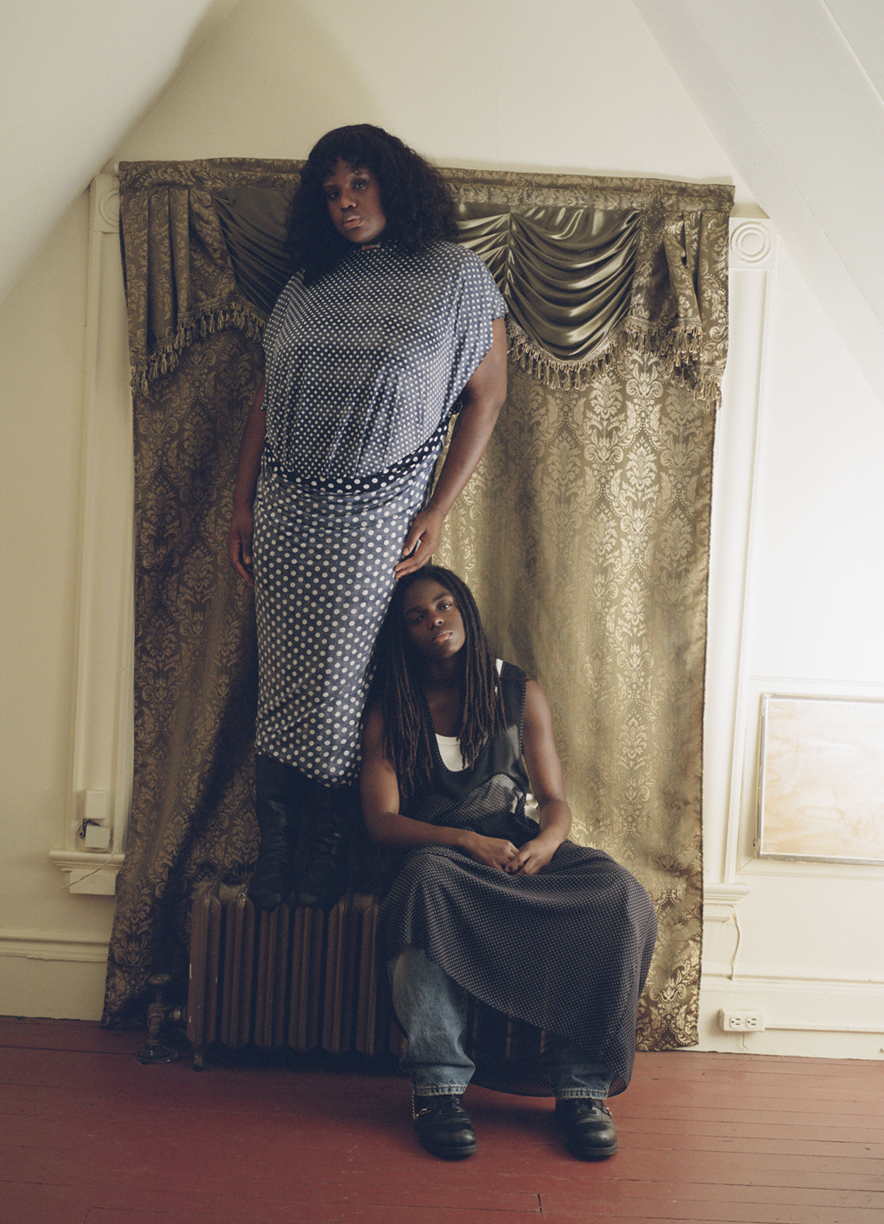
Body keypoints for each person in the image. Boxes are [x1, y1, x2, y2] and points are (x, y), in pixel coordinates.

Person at [227, 126, 507, 911]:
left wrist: (438, 508)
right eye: (330, 192)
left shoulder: (456, 276)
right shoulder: (307, 284)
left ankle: (325, 846)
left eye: (358, 183)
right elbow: (262, 401)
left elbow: (487, 397)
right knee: (279, 678)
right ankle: (276, 851)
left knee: (345, 681)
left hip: (378, 510)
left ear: (395, 183)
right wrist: (243, 503)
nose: (345, 203)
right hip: (284, 504)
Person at [361, 566, 658, 1161]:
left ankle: (581, 1087)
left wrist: (546, 845)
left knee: (621, 894)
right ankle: (438, 1089)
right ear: (402, 634)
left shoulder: (519, 691)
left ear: (466, 611)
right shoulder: (391, 708)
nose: (435, 622)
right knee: (421, 883)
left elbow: (554, 801)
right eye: (416, 617)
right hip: (442, 861)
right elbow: (383, 822)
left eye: (444, 606)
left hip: (521, 848)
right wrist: (466, 843)